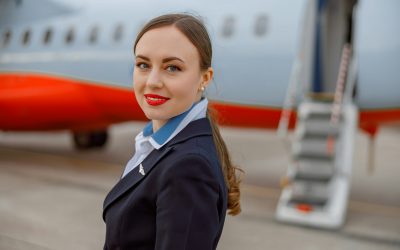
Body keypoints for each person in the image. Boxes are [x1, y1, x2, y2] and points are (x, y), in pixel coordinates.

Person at [103, 13, 242, 250]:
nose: (153, 81)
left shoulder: (188, 167)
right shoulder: (157, 144)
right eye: (143, 65)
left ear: (204, 78)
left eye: (172, 68)